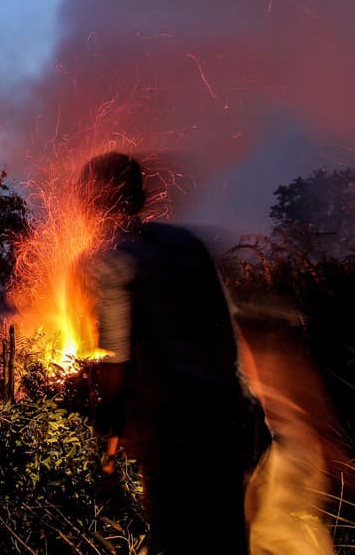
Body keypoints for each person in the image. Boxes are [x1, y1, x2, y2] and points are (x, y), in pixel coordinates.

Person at [80, 152, 267, 555]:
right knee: (230, 541)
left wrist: (108, 451)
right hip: (231, 422)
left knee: (179, 541)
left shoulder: (111, 259)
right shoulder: (189, 244)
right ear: (143, 196)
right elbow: (227, 332)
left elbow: (116, 363)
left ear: (92, 201)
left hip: (175, 438)